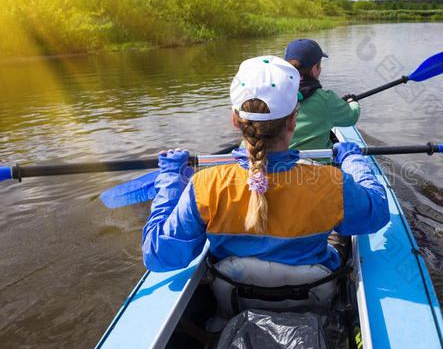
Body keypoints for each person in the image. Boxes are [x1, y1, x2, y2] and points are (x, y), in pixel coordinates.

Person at [142, 56, 389, 276]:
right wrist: (353, 160)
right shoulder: (332, 182)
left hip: (232, 299)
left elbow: (157, 257)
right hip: (314, 294)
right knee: (340, 238)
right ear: (293, 120)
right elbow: (377, 214)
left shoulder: (204, 186)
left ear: (235, 120)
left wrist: (171, 180)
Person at [284, 39, 360, 150]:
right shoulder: (325, 99)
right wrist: (352, 102)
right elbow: (352, 117)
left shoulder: (274, 94)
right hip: (318, 165)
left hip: (281, 162)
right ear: (315, 69)